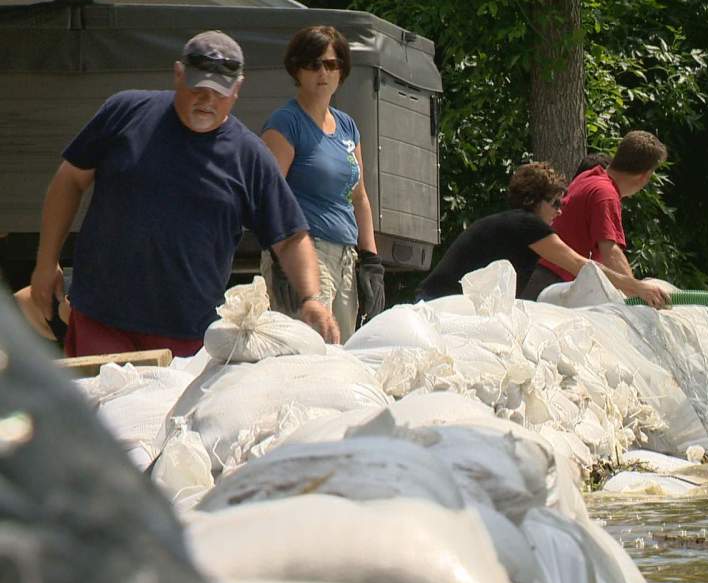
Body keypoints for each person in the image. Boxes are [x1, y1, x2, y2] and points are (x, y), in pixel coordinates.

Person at [29, 31, 338, 358]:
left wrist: (312, 299)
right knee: (102, 408)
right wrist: (46, 262)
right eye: (197, 88)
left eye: (218, 92)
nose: (206, 101)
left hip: (188, 335)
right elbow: (70, 179)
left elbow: (290, 237)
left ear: (237, 89)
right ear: (178, 74)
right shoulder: (125, 112)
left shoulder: (249, 156)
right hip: (102, 318)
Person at [260, 25, 382, 340]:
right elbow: (268, 197)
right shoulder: (286, 123)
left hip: (346, 258)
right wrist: (281, 260)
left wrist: (371, 261)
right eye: (313, 64)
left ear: (342, 70)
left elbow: (359, 198)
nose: (322, 72)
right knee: (311, 352)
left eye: (331, 64)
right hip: (306, 252)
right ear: (296, 69)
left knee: (343, 352)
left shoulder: (347, 126)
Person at [415, 162, 670, 307]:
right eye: (555, 203)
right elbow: (580, 265)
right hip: (441, 305)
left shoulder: (513, 223)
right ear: (531, 200)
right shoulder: (527, 225)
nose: (559, 212)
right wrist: (636, 286)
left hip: (436, 302)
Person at [522, 131, 668, 300]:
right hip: (550, 283)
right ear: (645, 176)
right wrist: (637, 293)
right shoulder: (605, 194)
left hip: (538, 274)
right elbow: (610, 253)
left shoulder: (590, 176)